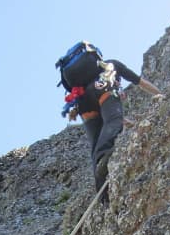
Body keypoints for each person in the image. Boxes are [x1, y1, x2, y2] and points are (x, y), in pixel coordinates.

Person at [65, 56, 163, 205]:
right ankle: (104, 157)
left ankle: (102, 194)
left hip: (83, 103)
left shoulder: (85, 78)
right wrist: (160, 94)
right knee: (112, 123)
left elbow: (110, 118)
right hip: (103, 88)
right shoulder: (113, 65)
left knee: (95, 145)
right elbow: (140, 82)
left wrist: (128, 122)